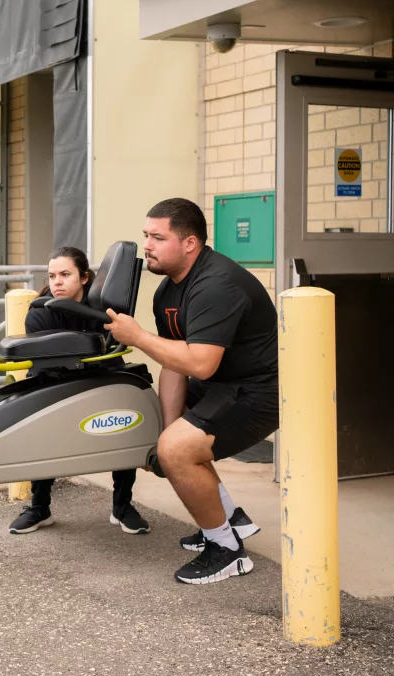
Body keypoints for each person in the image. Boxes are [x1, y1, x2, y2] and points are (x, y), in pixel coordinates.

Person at [103, 198, 275, 585]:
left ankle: (227, 550)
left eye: (158, 237)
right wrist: (167, 427)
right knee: (159, 433)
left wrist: (140, 337)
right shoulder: (167, 290)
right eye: (146, 235)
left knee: (178, 449)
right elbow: (174, 364)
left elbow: (199, 363)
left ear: (190, 243)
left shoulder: (216, 285)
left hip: (258, 393)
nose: (146, 245)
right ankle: (232, 520)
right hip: (219, 386)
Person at [8, 247, 151, 536]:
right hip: (55, 380)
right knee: (42, 431)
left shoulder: (104, 308)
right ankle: (39, 508)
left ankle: (122, 506)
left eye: (65, 274)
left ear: (84, 277)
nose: (57, 281)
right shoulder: (39, 311)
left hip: (101, 376)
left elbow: (114, 345)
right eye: (52, 276)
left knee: (124, 424)